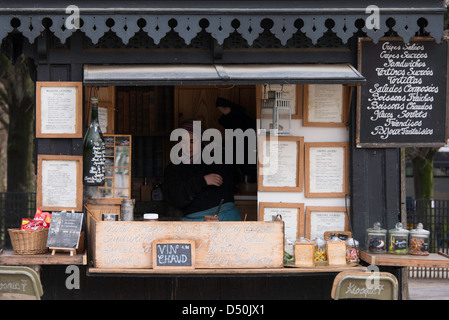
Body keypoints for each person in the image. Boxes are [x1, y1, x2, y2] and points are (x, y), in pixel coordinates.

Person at [163, 120, 241, 221]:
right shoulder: (174, 168)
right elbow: (175, 198)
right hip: (194, 222)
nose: (187, 146)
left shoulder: (219, 158)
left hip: (225, 219)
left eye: (192, 141)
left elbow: (243, 145)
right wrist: (202, 181)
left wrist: (229, 115)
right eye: (183, 141)